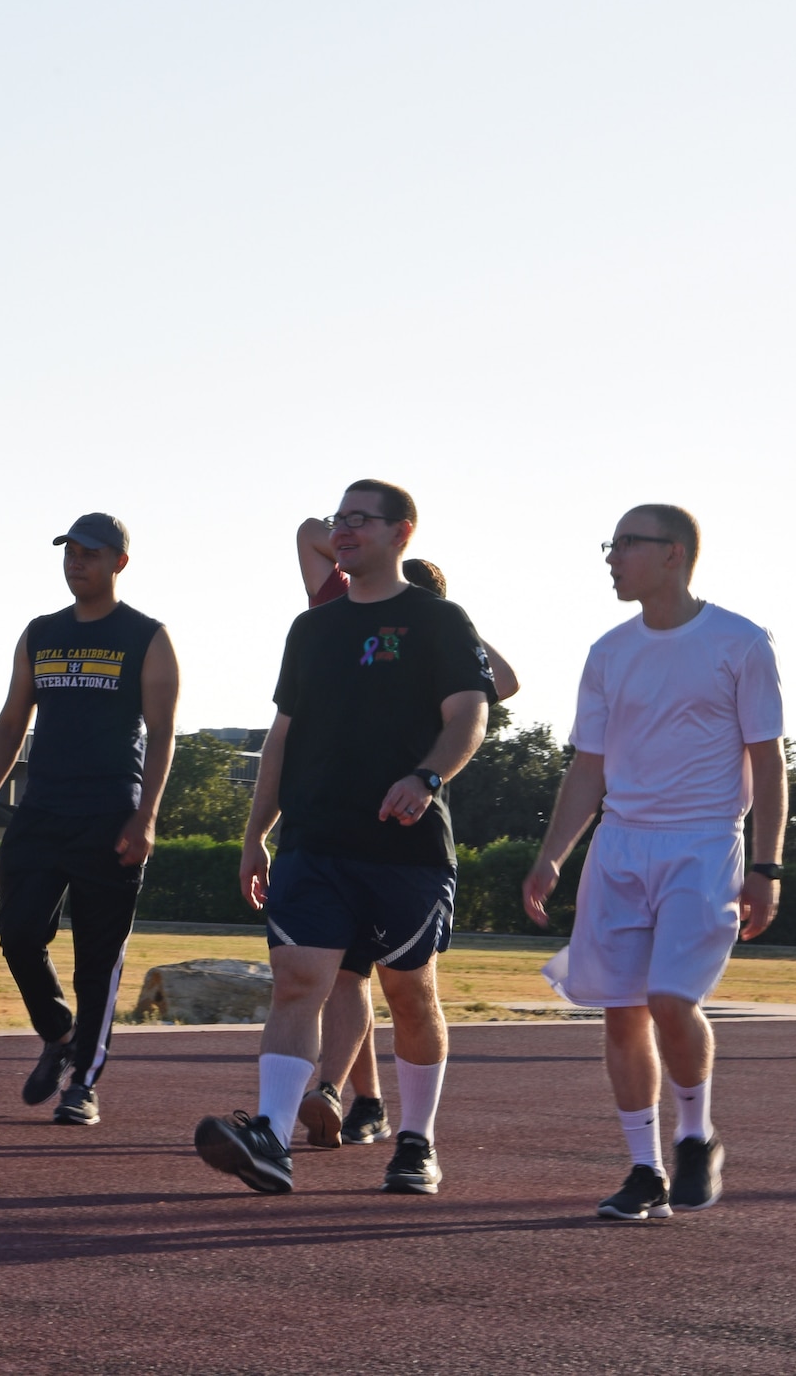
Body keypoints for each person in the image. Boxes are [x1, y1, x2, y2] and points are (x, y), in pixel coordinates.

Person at [195, 481, 498, 1195]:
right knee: (298, 981)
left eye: (361, 520)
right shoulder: (312, 629)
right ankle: (270, 1136)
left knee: (410, 993)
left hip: (404, 847)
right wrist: (254, 834)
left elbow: (470, 716)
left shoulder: (439, 620)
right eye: (340, 520)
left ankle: (417, 1140)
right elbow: (282, 738)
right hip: (312, 840)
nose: (345, 531)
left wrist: (426, 778)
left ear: (403, 532)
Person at [522, 506, 783, 1221]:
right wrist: (553, 857)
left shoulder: (740, 642)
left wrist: (767, 866)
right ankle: (645, 1170)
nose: (612, 557)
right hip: (621, 843)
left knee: (672, 998)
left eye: (626, 544)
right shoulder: (608, 651)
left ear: (673, 554)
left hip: (702, 842)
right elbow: (588, 765)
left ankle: (695, 1134)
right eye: (612, 544)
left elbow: (768, 758)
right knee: (622, 1013)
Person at [292, 535, 522, 1148]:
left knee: (395, 983)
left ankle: (377, 1111)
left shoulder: (440, 636)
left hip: (403, 836)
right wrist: (374, 546)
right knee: (346, 978)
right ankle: (353, 1096)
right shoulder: (341, 611)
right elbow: (308, 532)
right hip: (332, 830)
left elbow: (506, 681)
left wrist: (448, 619)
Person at [0, 513, 179, 1127]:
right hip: (41, 813)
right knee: (19, 934)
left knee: (97, 960)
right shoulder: (41, 633)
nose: (75, 562)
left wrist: (146, 816)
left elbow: (162, 734)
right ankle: (59, 1032)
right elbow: (10, 724)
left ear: (118, 563)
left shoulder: (147, 636)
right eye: (69, 552)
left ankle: (83, 1080)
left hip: (111, 813)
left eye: (89, 553)